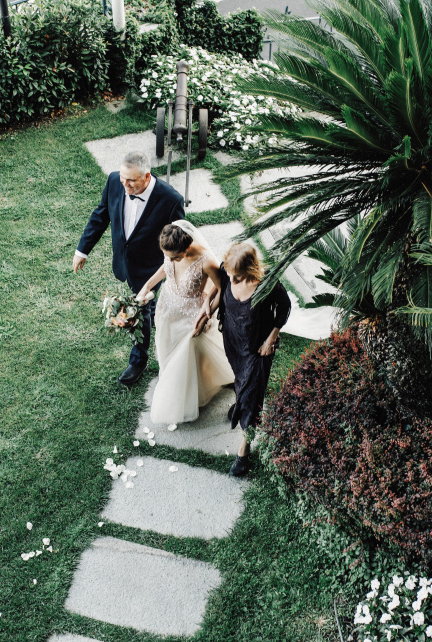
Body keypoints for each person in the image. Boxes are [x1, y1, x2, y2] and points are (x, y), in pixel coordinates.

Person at [73, 152, 185, 386]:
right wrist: (82, 250)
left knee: (141, 310)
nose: (125, 185)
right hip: (124, 261)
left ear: (147, 176)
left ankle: (138, 361)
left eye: (131, 181)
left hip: (151, 268)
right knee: (147, 308)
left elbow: (178, 245)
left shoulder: (171, 199)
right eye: (123, 179)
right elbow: (101, 214)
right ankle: (153, 312)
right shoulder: (115, 180)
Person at [204, 243, 291, 477]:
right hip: (233, 341)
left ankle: (244, 449)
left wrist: (271, 338)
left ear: (250, 269)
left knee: (253, 395)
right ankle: (241, 403)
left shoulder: (267, 284)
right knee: (241, 379)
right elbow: (220, 285)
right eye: (230, 274)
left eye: (237, 276)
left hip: (257, 348)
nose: (231, 279)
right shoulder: (228, 271)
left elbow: (284, 308)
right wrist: (207, 306)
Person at [135, 222, 234, 424]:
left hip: (190, 315)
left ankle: (184, 396)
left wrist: (205, 315)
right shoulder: (171, 252)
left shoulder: (206, 261)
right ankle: (171, 382)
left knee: (186, 356)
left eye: (175, 257)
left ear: (186, 248)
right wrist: (146, 286)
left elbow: (222, 289)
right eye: (168, 256)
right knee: (166, 347)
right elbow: (165, 268)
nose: (171, 260)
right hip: (166, 307)